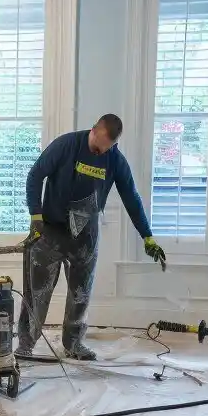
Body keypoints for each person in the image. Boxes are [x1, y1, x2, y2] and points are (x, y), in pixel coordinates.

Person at [18, 114, 167, 360]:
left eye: (108, 148)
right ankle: (26, 343)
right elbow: (35, 175)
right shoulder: (66, 145)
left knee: (81, 293)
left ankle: (74, 343)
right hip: (50, 230)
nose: (102, 152)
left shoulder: (115, 159)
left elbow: (131, 197)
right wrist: (35, 214)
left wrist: (147, 236)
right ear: (94, 130)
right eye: (100, 147)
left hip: (85, 236)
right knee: (38, 292)